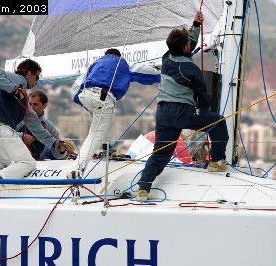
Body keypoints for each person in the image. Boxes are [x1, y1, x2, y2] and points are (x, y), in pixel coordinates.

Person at [135, 11, 229, 201]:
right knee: (218, 122)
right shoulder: (190, 69)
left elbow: (189, 44)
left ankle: (143, 189)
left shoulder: (166, 58)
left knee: (160, 154)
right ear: (185, 48)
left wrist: (196, 24)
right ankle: (216, 161)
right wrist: (205, 114)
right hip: (182, 112)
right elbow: (203, 95)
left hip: (162, 113)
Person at [0, 59, 61, 199]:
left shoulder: (22, 97)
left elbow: (35, 123)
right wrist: (14, 90)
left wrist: (54, 143)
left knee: (2, 160)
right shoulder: (17, 80)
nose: (37, 81)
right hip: (0, 129)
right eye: (37, 76)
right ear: (29, 73)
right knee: (27, 163)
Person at [69, 48, 160, 178]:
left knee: (106, 121)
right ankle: (77, 169)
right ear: (119, 56)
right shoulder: (122, 63)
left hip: (86, 96)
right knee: (95, 135)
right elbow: (146, 74)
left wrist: (83, 101)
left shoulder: (95, 64)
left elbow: (75, 88)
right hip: (103, 97)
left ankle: (107, 149)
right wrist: (160, 74)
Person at [16, 91, 60, 159]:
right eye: (29, 104)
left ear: (44, 106)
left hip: (37, 165)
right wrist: (21, 136)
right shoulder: (18, 121)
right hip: (15, 159)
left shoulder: (50, 128)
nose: (31, 107)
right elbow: (4, 134)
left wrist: (62, 150)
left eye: (35, 104)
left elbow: (58, 155)